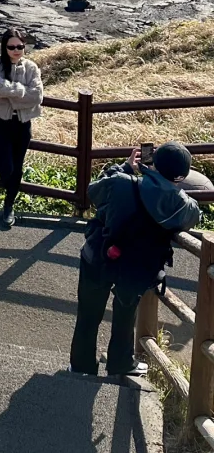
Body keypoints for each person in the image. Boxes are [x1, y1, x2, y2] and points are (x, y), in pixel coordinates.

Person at [70, 142, 201, 378]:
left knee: (89, 315)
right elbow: (193, 214)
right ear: (181, 177)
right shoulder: (180, 205)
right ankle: (121, 363)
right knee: (125, 314)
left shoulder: (121, 183)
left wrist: (125, 168)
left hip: (99, 255)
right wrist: (171, 186)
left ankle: (81, 367)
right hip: (137, 269)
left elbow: (94, 191)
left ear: (153, 163)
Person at [0, 28, 43, 227]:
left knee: (17, 167)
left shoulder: (32, 67)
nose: (16, 50)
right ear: (4, 47)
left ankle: (9, 205)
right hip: (1, 121)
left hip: (23, 123)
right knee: (6, 168)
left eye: (20, 46)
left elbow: (37, 96)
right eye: (11, 47)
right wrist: (21, 92)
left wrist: (10, 93)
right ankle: (7, 187)